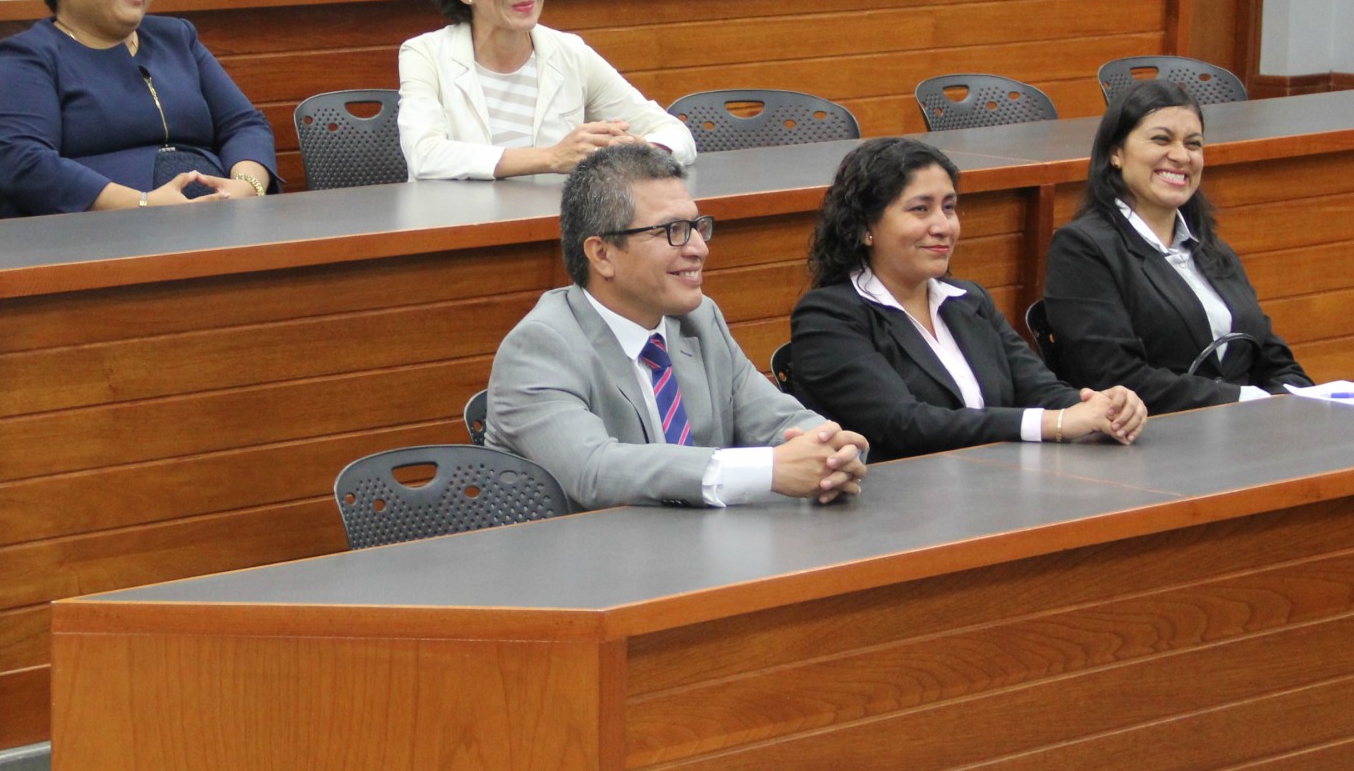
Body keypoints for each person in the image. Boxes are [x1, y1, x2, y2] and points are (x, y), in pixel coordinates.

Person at [486, 144, 866, 510]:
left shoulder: (699, 320)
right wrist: (767, 470)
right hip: (591, 551)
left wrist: (832, 452)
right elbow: (595, 470)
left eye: (697, 227)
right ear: (602, 254)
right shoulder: (541, 346)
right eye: (672, 230)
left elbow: (778, 420)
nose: (699, 248)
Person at [789, 138, 1146, 462]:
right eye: (920, 209)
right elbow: (903, 424)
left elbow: (1040, 389)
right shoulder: (828, 317)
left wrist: (1103, 406)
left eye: (949, 207)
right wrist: (1056, 423)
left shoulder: (969, 300)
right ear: (866, 226)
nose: (943, 226)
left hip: (997, 482)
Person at [0, 0, 277, 215]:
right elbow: (26, 165)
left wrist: (246, 186)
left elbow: (244, 124)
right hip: (102, 233)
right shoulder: (25, 59)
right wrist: (143, 204)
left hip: (223, 219)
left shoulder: (176, 38)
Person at [1045, 80, 1310, 412]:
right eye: (1161, 139)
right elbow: (1113, 376)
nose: (1181, 156)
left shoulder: (1213, 251)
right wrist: (1243, 401)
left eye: (1193, 144)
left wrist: (1297, 399)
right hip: (1153, 433)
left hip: (1244, 427)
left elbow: (1273, 359)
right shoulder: (1082, 248)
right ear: (1115, 153)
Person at [397, 0, 695, 181]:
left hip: (554, 218)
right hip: (460, 217)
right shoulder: (425, 54)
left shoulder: (570, 53)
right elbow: (425, 155)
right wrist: (552, 158)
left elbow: (675, 134)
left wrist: (639, 150)